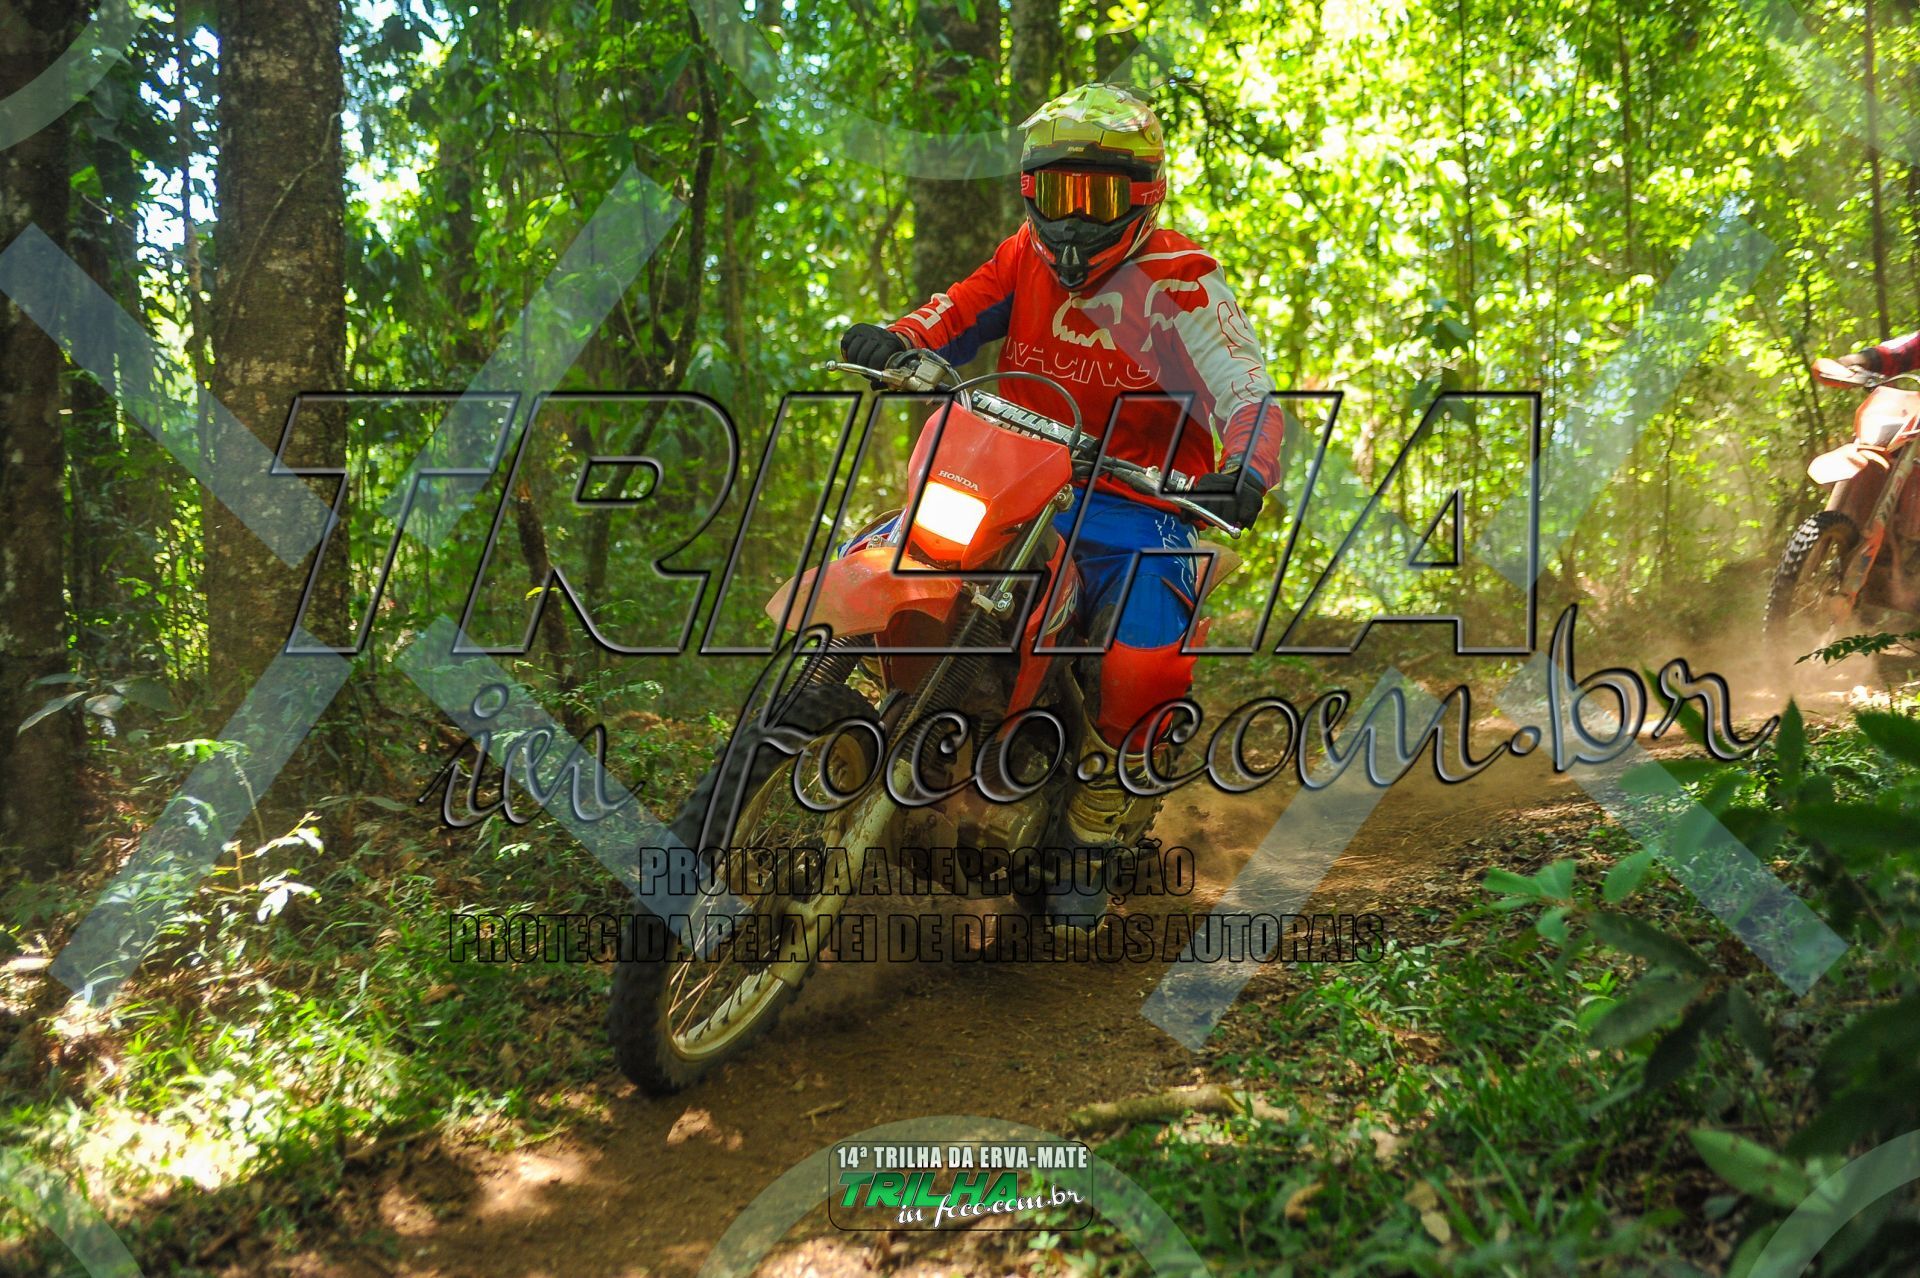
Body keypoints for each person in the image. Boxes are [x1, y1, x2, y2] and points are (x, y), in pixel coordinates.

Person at [837, 84, 1284, 915]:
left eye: (1098, 197)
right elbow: (954, 310)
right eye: (1058, 193)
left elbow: (1247, 390)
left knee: (1142, 659)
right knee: (879, 553)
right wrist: (897, 340)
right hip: (1012, 472)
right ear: (1030, 193)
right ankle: (836, 705)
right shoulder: (1022, 258)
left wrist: (1247, 467)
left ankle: (1097, 811)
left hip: (1138, 502)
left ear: (1144, 195)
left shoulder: (1184, 282)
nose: (1075, 219)